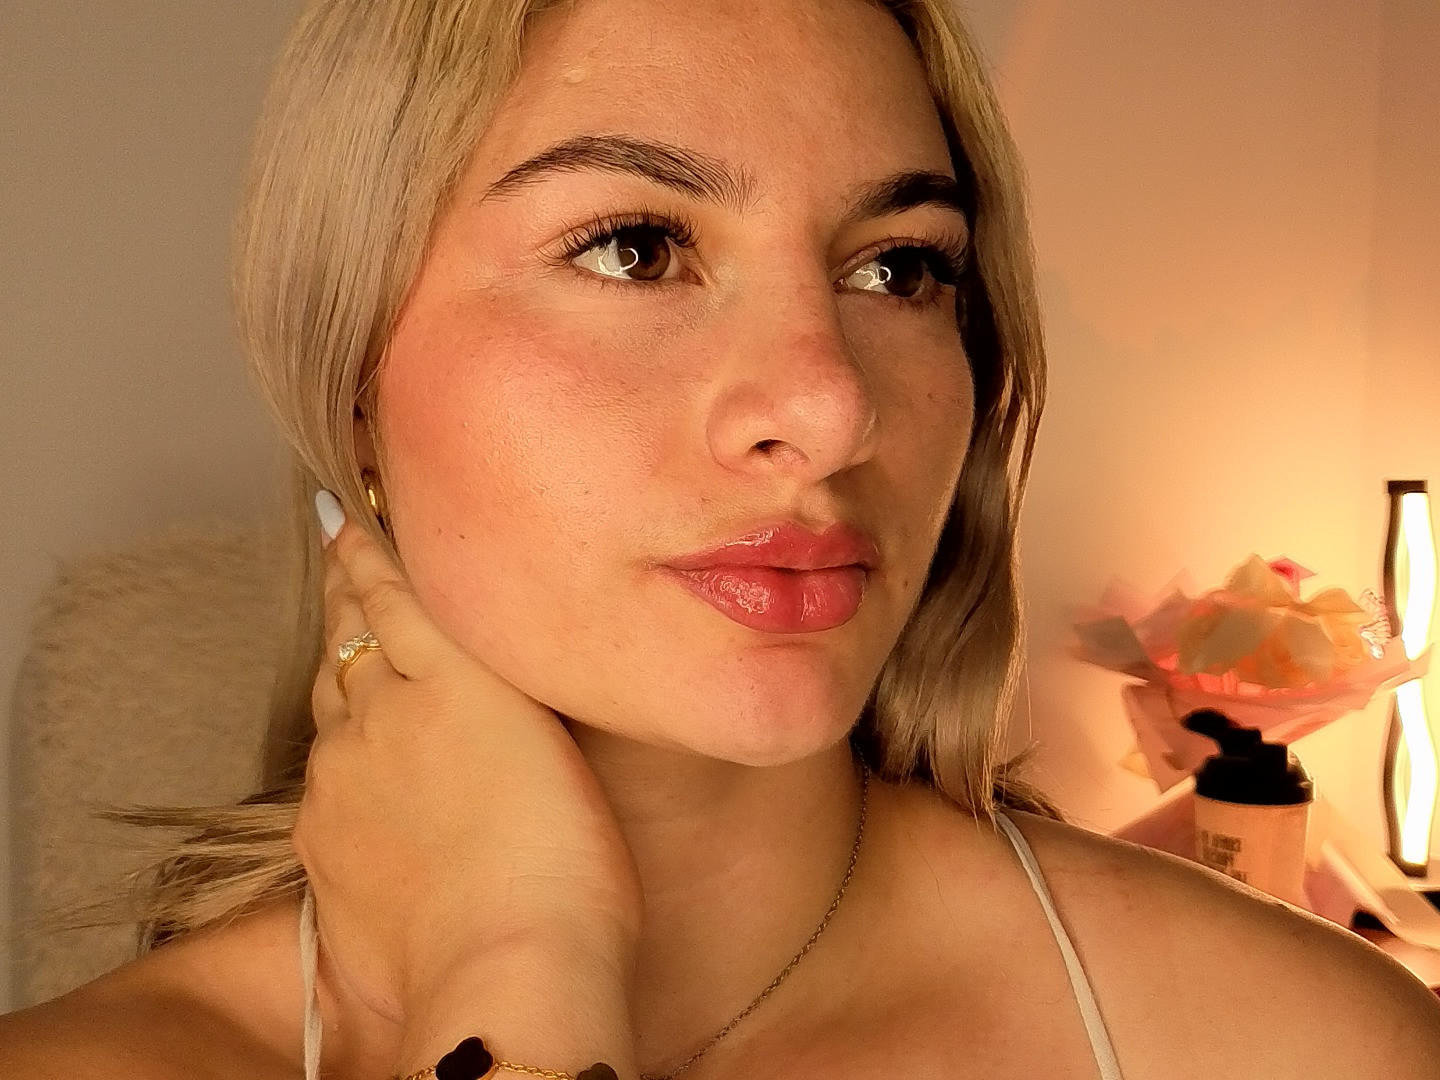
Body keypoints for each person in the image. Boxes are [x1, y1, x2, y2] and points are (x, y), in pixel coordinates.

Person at [4, 0, 1439, 1077]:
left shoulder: (1310, 1046)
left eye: (898, 268)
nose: (829, 406)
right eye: (635, 248)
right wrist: (520, 961)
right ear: (354, 384)